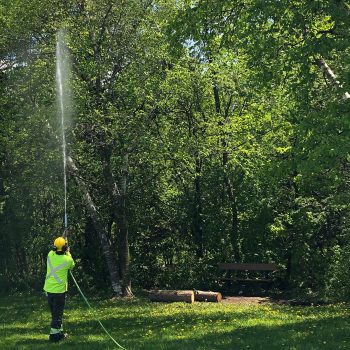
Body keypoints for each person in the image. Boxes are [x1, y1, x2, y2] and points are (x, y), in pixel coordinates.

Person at [43, 234, 75, 342]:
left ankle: (59, 332)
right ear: (65, 248)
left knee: (55, 313)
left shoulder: (50, 255)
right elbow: (72, 265)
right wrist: (68, 252)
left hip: (48, 289)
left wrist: (63, 237)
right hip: (59, 292)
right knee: (58, 314)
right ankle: (54, 337)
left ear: (54, 246)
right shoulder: (67, 260)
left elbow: (57, 247)